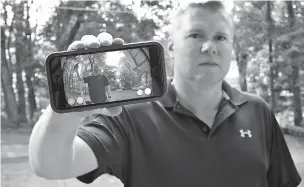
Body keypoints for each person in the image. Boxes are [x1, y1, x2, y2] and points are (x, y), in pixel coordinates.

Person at [29, 1, 302, 187]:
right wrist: (68, 105)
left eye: (220, 37)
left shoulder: (258, 110)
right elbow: (50, 164)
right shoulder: (130, 116)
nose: (209, 46)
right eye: (196, 35)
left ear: (231, 47)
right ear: (171, 47)